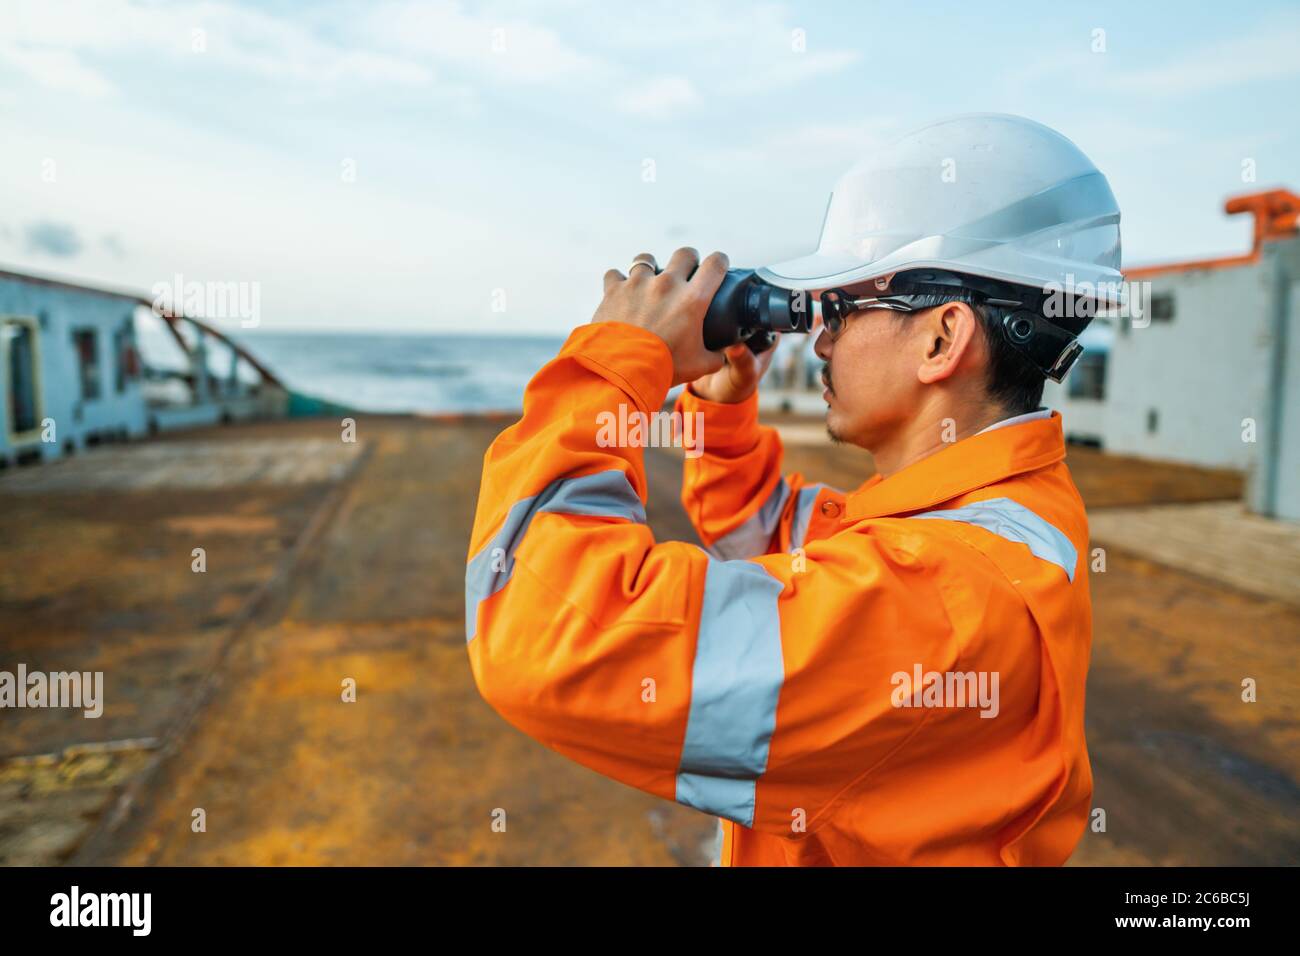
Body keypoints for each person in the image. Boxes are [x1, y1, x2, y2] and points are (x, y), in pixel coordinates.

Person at [465, 114, 1122, 865]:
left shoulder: (940, 602)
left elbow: (545, 632)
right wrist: (718, 412)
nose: (822, 339)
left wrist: (617, 364)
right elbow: (777, 539)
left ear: (943, 340)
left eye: (842, 308)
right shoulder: (984, 511)